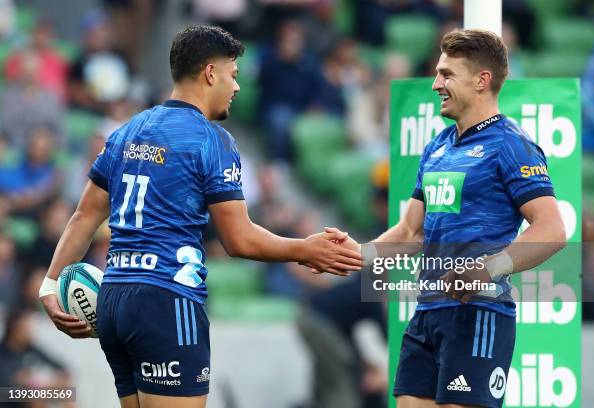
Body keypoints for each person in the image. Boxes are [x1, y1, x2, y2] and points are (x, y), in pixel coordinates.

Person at [38, 25, 362, 408]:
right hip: (166, 300)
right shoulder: (211, 139)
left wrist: (49, 284)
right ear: (211, 73)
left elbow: (83, 216)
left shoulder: (128, 131)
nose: (237, 87)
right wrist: (304, 249)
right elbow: (239, 240)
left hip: (116, 300)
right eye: (233, 74)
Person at [326, 29, 567, 407]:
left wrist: (488, 270)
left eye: (447, 74)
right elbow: (411, 231)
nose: (436, 83)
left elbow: (552, 230)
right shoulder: (438, 145)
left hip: (479, 312)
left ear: (482, 80)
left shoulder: (511, 144)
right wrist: (357, 254)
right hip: (427, 312)